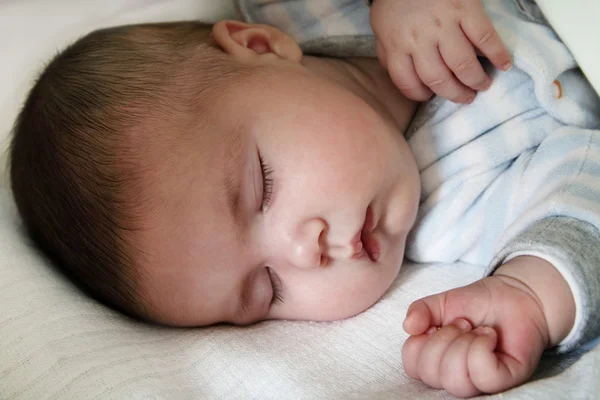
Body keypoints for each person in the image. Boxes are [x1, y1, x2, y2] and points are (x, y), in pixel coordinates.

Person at [8, 0, 600, 396]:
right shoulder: (456, 219)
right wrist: (529, 290)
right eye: (268, 289)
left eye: (261, 186)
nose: (304, 252)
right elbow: (583, 192)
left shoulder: (307, 8)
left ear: (259, 46)